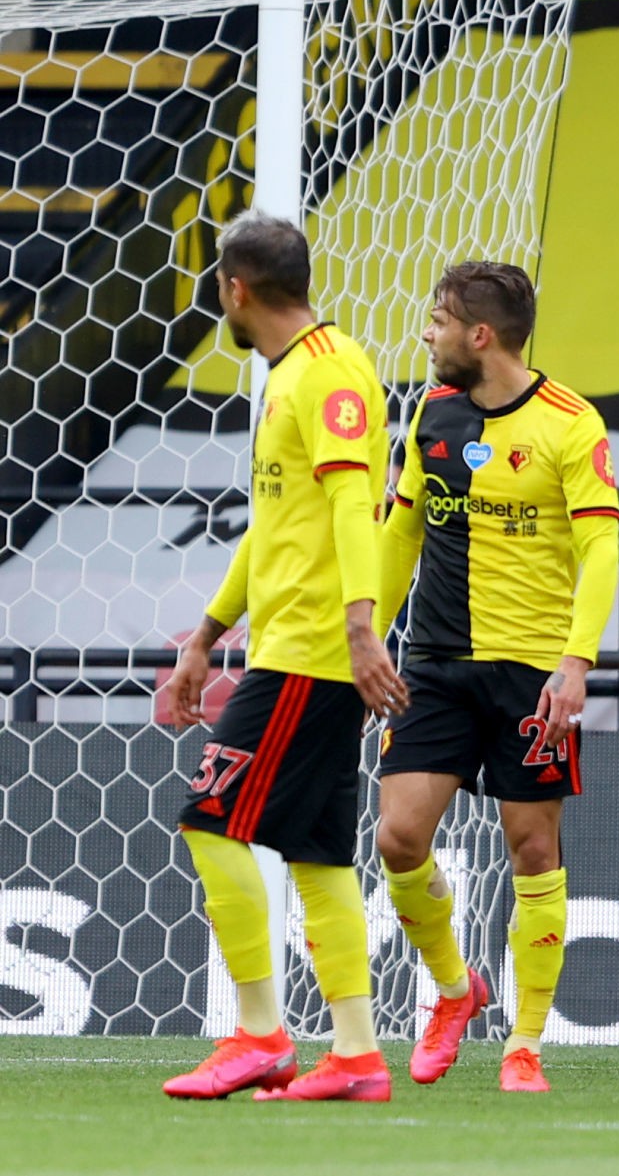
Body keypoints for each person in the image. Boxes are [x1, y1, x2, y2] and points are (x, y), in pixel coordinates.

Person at [159, 209, 406, 1102]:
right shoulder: (295, 376)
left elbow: (352, 508)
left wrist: (359, 625)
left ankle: (262, 1033)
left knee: (210, 820)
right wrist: (206, 635)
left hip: (311, 652)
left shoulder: (331, 372)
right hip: (292, 643)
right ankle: (357, 1054)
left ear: (235, 288)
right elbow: (277, 528)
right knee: (317, 854)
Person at [371, 262, 619, 1094]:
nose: (428, 333)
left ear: (481, 335)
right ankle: (455, 989)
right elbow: (402, 530)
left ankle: (525, 1042)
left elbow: (600, 550)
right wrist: (368, 637)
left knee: (532, 845)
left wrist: (576, 660)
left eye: (439, 319)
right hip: (435, 665)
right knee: (398, 838)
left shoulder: (570, 423)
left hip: (530, 673)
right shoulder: (432, 411)